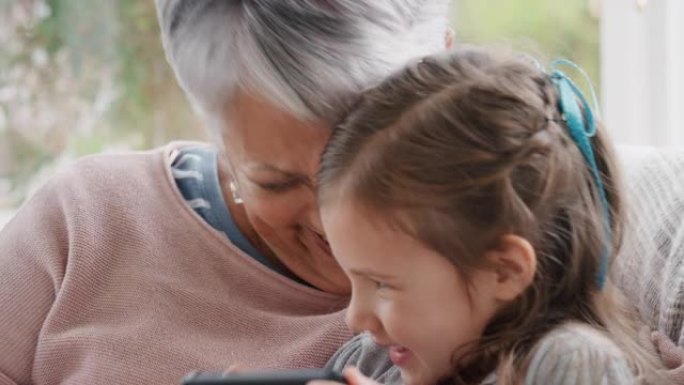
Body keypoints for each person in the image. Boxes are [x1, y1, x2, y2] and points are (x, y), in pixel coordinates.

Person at [0, 1, 452, 384]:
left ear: (453, 82)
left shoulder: (494, 286)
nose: (329, 217)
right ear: (215, 128)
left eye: (368, 168)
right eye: (278, 181)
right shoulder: (87, 220)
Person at [313, 47, 671, 385]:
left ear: (504, 270)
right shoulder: (379, 361)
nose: (355, 318)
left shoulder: (573, 363)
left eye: (382, 284)